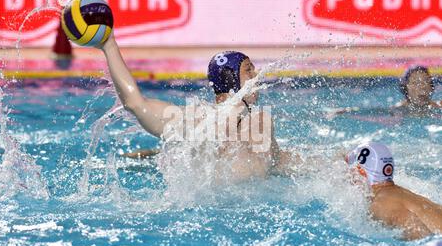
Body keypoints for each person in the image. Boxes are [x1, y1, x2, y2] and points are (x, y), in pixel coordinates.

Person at [98, 34, 302, 183]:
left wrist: (109, 45)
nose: (257, 76)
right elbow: (135, 103)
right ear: (230, 80)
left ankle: (153, 154)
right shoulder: (249, 121)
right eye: (249, 70)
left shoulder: (195, 119)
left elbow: (135, 103)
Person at [345, 142, 442, 240]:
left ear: (360, 171)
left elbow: (419, 232)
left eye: (351, 171)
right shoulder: (396, 193)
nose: (350, 176)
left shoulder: (382, 203)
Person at [328, 66, 441, 119]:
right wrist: (347, 111)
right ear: (405, 88)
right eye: (416, 83)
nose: (422, 87)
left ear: (431, 87)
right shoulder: (397, 110)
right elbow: (373, 112)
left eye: (425, 82)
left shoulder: (438, 108)